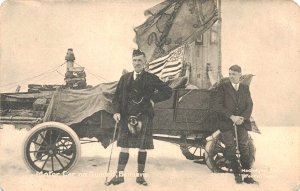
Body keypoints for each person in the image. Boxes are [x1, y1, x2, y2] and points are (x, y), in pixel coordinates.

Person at [107, 49, 172, 186]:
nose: (137, 63)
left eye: (140, 61)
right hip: (125, 117)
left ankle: (140, 177)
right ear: (132, 61)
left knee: (142, 147)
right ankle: (119, 176)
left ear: (145, 62)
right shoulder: (125, 78)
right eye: (135, 60)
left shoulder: (151, 78)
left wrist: (153, 99)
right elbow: (117, 97)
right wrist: (116, 112)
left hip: (144, 117)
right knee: (124, 146)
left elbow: (168, 91)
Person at [215, 65, 257, 184]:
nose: (231, 76)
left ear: (240, 75)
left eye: (233, 74)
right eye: (229, 74)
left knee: (244, 147)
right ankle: (237, 175)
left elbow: (250, 105)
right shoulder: (223, 88)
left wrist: (242, 118)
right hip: (226, 122)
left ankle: (247, 174)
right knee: (230, 147)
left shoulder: (245, 88)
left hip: (242, 122)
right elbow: (218, 106)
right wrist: (232, 117)